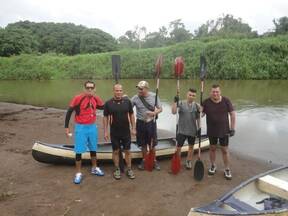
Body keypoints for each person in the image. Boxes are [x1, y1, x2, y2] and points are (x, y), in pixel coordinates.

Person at [65, 81, 105, 184]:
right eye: (88, 87)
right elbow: (69, 111)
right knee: (79, 151)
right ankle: (78, 173)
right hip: (81, 127)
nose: (90, 89)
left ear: (95, 89)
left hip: (92, 127)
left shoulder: (96, 98)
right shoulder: (78, 98)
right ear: (84, 88)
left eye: (92, 88)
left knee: (93, 148)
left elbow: (103, 107)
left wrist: (117, 99)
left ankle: (94, 168)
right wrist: (66, 127)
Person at [202, 84, 236, 180]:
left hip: (224, 130)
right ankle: (213, 165)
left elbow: (232, 114)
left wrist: (232, 128)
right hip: (212, 130)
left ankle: (227, 169)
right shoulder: (206, 102)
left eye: (217, 91)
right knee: (212, 148)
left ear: (220, 92)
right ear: (210, 93)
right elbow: (201, 115)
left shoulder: (226, 101)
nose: (215, 93)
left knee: (224, 150)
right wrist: (198, 111)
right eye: (213, 92)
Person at [103, 84, 136, 180]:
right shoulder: (108, 103)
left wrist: (134, 128)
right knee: (116, 151)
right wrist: (105, 131)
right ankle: (117, 168)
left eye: (120, 90)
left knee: (128, 151)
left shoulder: (127, 102)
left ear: (122, 91)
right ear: (113, 91)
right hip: (114, 132)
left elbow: (131, 115)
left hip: (126, 131)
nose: (119, 92)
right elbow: (105, 117)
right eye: (117, 90)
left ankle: (129, 169)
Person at [131, 81, 162, 170]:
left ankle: (154, 160)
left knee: (152, 144)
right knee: (143, 144)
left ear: (146, 89)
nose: (139, 90)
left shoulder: (154, 96)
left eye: (141, 89)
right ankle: (144, 160)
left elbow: (160, 109)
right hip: (140, 123)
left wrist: (154, 113)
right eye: (138, 88)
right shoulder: (135, 98)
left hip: (151, 123)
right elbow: (128, 108)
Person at [171, 88, 200, 169]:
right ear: (187, 95)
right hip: (181, 130)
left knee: (191, 147)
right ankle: (178, 161)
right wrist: (174, 102)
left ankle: (188, 161)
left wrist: (199, 128)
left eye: (193, 95)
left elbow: (198, 118)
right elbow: (173, 112)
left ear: (195, 97)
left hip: (192, 131)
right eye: (190, 95)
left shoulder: (197, 106)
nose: (191, 97)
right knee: (178, 148)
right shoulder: (180, 103)